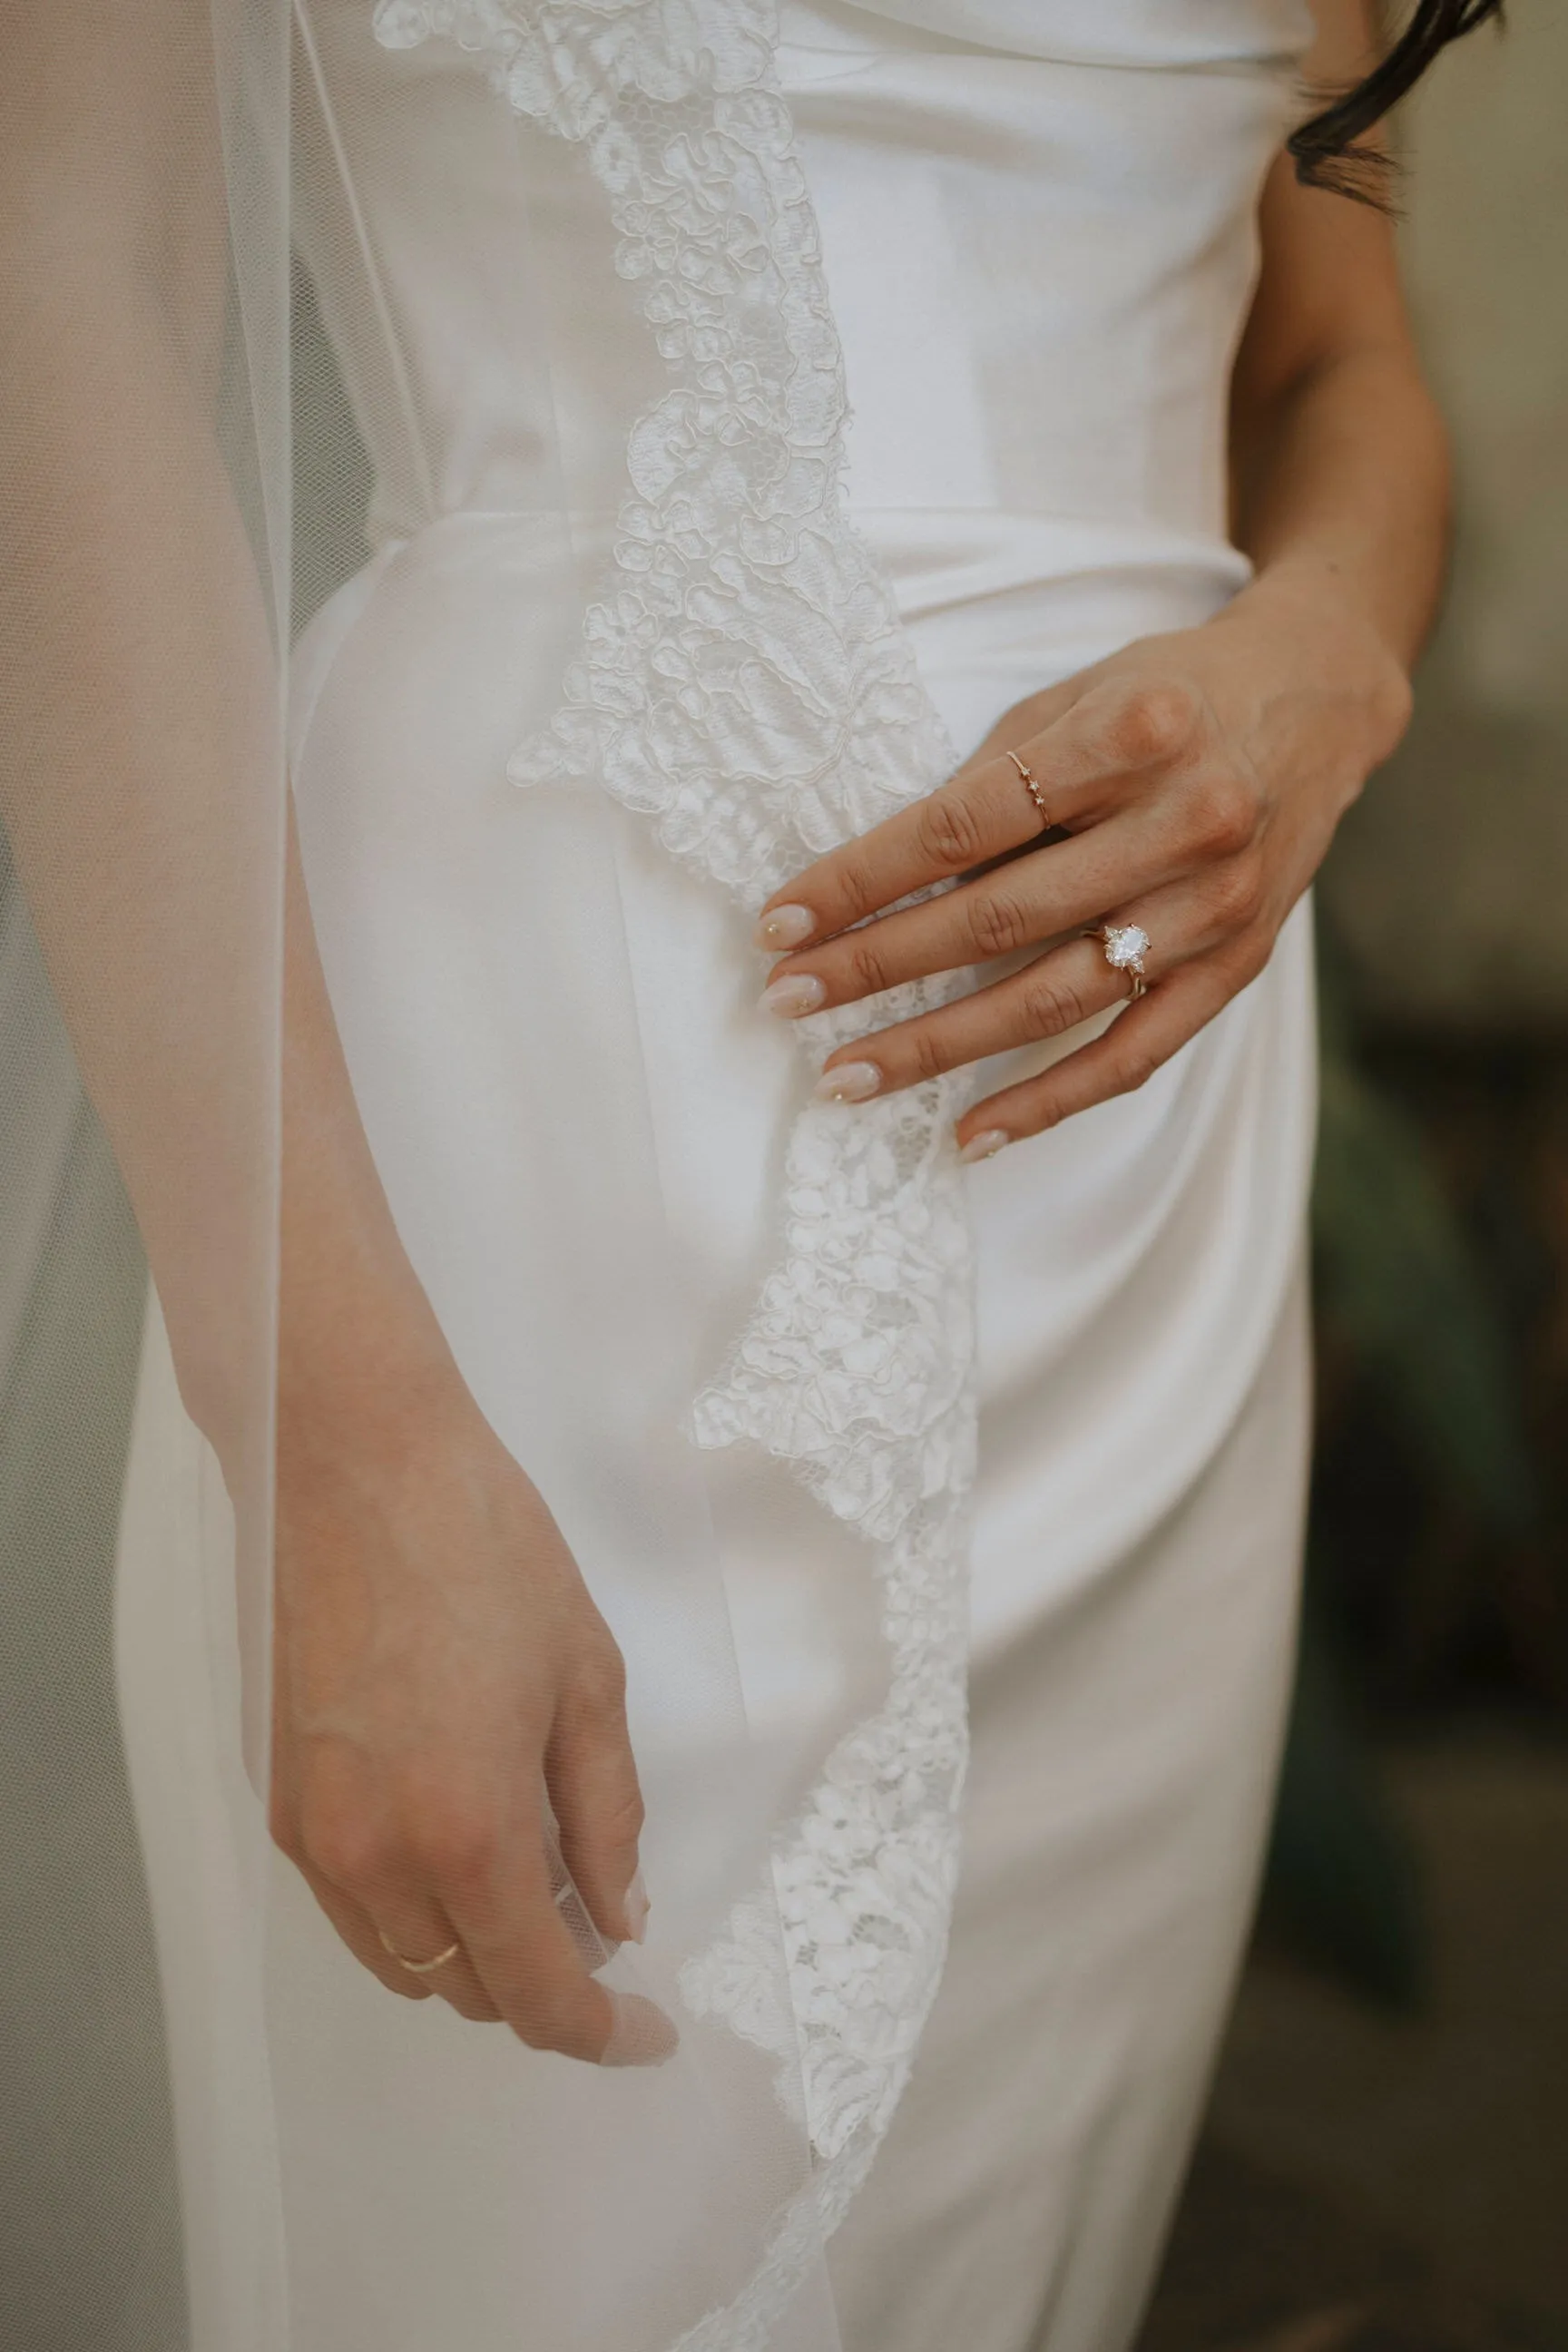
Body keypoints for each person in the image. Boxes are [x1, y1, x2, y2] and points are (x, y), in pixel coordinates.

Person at [0, 2, 1493, 2347]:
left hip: (1141, 1181)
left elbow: (1345, 369)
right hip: (525, 1174)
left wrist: (1315, 672)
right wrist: (333, 1428)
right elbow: (59, 300)